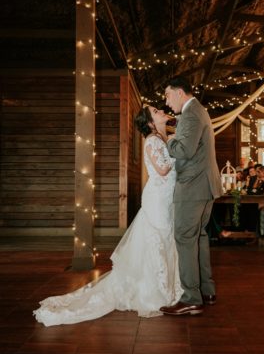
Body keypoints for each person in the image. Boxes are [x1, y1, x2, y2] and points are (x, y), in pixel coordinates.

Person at [34, 106, 183, 325]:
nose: (161, 110)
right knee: (157, 240)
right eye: (155, 110)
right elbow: (162, 170)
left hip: (167, 198)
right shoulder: (152, 140)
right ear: (151, 122)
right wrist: (179, 156)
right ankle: (153, 292)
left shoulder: (164, 137)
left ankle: (168, 286)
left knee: (166, 239)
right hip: (157, 199)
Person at [161, 78, 222, 316]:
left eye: (167, 95)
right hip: (205, 186)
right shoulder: (199, 111)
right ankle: (207, 291)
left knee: (185, 238)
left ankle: (190, 298)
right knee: (199, 237)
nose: (166, 101)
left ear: (178, 92)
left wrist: (168, 138)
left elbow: (183, 150)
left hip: (193, 187)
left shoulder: (190, 114)